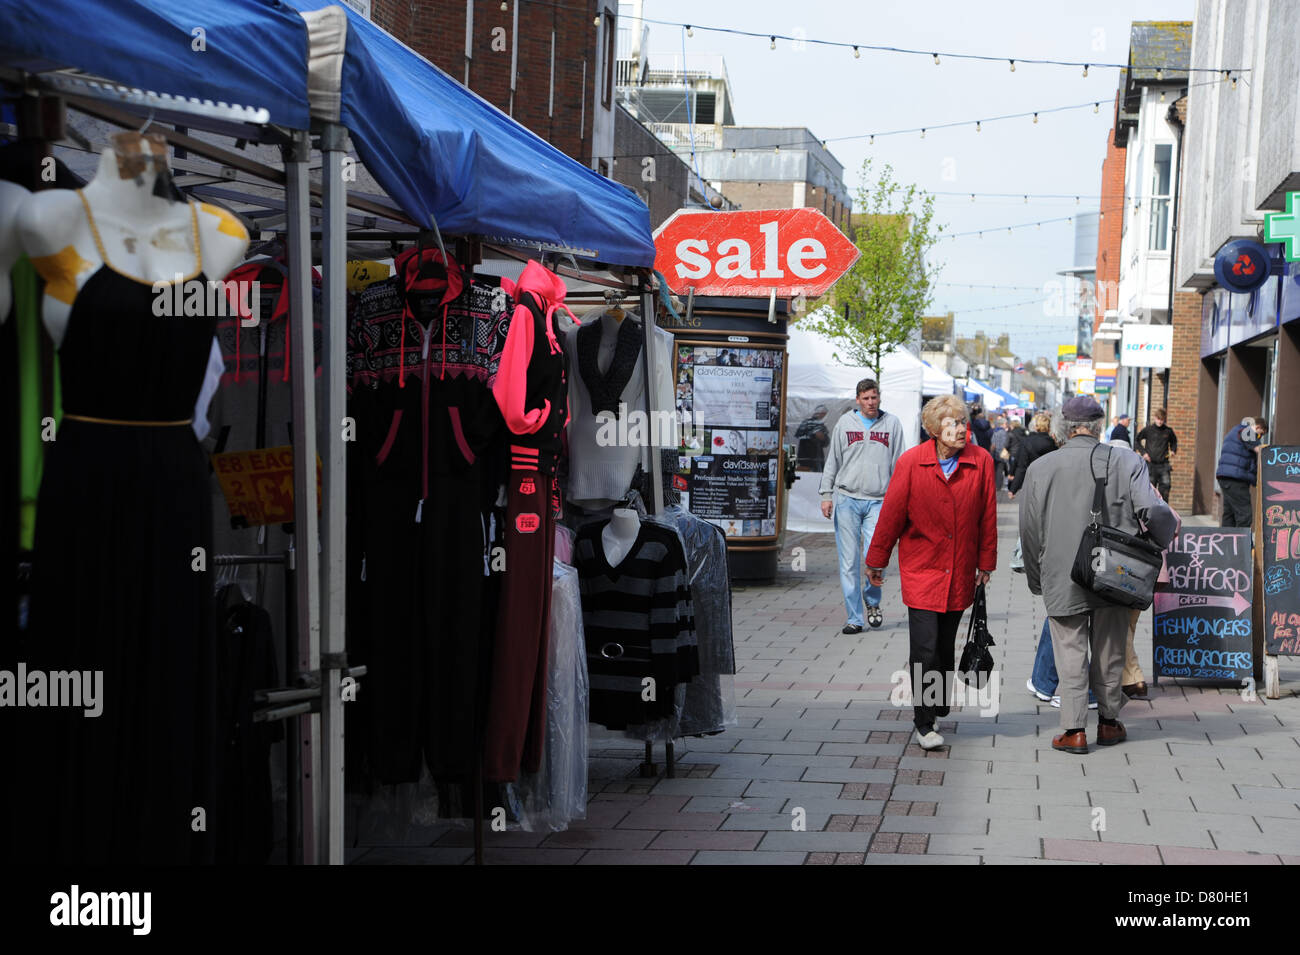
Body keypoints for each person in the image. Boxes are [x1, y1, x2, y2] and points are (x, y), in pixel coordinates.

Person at [1020, 397, 1177, 755]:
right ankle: (1108, 723)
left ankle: (1074, 730)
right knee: (1110, 649)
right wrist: (1156, 544)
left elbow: (1029, 531)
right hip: (1116, 569)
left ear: (1063, 426)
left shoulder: (1042, 468)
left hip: (1062, 571)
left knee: (1070, 649)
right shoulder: (1128, 460)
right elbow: (1153, 510)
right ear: (1099, 424)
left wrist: (1035, 576)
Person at [865, 395, 997, 750]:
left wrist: (986, 562)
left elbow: (987, 514)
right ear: (933, 430)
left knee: (944, 646)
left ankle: (936, 702)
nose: (959, 429)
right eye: (951, 423)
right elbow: (891, 514)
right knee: (924, 648)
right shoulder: (911, 463)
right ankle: (924, 723)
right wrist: (876, 560)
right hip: (922, 569)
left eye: (961, 422)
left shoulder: (980, 461)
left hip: (960, 571)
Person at [820, 379, 906, 634]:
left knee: (875, 558)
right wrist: (826, 494)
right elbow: (832, 460)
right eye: (866, 398)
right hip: (847, 499)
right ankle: (854, 618)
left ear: (880, 398)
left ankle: (873, 601)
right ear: (857, 400)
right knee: (848, 562)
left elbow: (900, 464)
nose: (871, 402)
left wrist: (900, 500)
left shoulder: (891, 424)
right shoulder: (845, 423)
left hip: (879, 501)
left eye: (874, 397)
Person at [1215, 416, 1268, 527]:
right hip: (1236, 479)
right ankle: (1242, 543)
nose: (1260, 437)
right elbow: (1258, 449)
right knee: (1244, 514)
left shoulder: (1237, 430)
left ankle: (1227, 541)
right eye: (1261, 434)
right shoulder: (1247, 431)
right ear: (1257, 427)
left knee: (1230, 514)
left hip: (1226, 477)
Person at [1007, 411, 1055, 499]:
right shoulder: (1054, 443)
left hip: (1032, 483)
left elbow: (1022, 467)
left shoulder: (1027, 442)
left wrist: (1013, 489)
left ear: (1036, 427)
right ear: (1049, 427)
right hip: (1051, 484)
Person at [1135, 407, 1178, 502]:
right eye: (1158, 419)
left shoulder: (1168, 431)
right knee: (1150, 491)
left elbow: (1174, 442)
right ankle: (1149, 513)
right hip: (1151, 465)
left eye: (1162, 419)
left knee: (1165, 489)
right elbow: (1136, 440)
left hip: (1163, 465)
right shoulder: (1148, 430)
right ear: (1155, 418)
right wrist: (1144, 453)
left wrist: (1173, 450)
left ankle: (1163, 512)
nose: (1160, 421)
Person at [794, 404, 831, 471]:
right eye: (823, 414)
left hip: (818, 458)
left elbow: (826, 442)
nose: (823, 416)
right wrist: (813, 435)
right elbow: (798, 435)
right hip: (806, 457)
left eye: (824, 415)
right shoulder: (806, 422)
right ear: (818, 413)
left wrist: (823, 438)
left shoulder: (822, 426)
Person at [990, 416, 1010, 497]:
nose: (1007, 425)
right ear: (1002, 424)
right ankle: (999, 486)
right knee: (1001, 470)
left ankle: (996, 485)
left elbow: (992, 444)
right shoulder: (1004, 433)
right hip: (1002, 453)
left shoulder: (995, 432)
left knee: (996, 470)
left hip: (995, 453)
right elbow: (1005, 443)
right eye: (1005, 423)